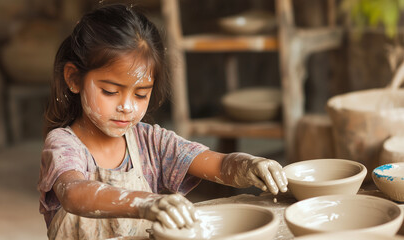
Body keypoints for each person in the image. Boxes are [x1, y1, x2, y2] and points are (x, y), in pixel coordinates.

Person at [37, 3, 288, 240]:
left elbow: (219, 166)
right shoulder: (64, 145)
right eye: (111, 92)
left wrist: (248, 165)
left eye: (140, 94)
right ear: (74, 79)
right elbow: (73, 192)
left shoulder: (151, 142)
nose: (127, 107)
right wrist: (145, 202)